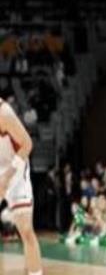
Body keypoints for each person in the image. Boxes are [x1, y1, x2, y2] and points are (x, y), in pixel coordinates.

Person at [0, 97, 43, 275]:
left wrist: (6, 177)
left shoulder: (3, 113)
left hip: (16, 170)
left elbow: (27, 144)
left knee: (25, 230)